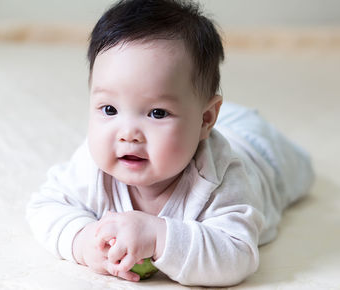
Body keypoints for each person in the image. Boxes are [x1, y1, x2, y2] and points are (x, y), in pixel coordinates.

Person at [26, 0, 314, 287]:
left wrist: (158, 236)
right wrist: (83, 239)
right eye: (109, 109)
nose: (128, 134)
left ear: (205, 119)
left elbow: (237, 254)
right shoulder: (92, 165)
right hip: (203, 122)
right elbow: (45, 205)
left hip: (259, 151)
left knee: (302, 173)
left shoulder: (221, 179)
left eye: (157, 113)